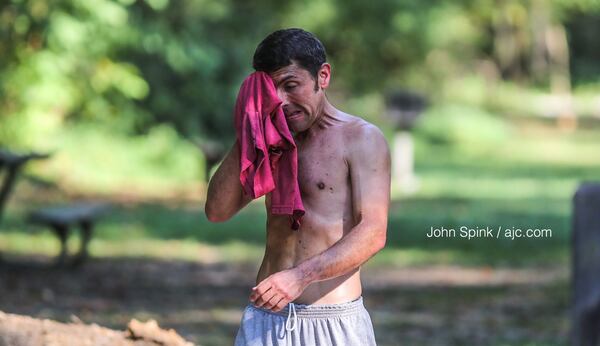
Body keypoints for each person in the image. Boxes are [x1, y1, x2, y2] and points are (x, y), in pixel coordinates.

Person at [205, 28, 390, 346]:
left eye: (291, 86)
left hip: (332, 322)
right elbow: (217, 211)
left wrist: (300, 276)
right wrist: (250, 127)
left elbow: (373, 231)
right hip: (266, 321)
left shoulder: (361, 139)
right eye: (270, 91)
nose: (280, 100)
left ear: (323, 76)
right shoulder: (269, 139)